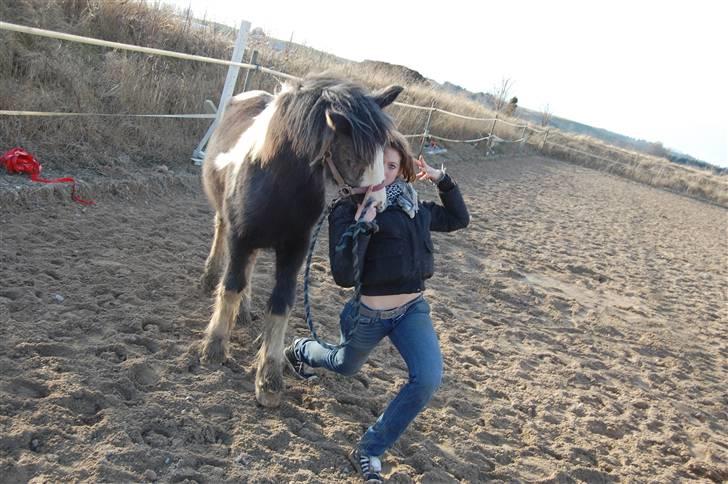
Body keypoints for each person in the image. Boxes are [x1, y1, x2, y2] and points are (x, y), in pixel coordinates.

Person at [285, 131, 469, 483]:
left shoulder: (416, 208)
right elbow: (342, 275)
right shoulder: (346, 208)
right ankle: (301, 350)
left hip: (412, 310)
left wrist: (443, 180)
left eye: (391, 165)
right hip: (368, 315)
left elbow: (459, 219)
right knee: (343, 365)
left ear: (401, 171)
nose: (382, 172)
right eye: (375, 165)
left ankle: (369, 449)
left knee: (427, 378)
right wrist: (364, 222)